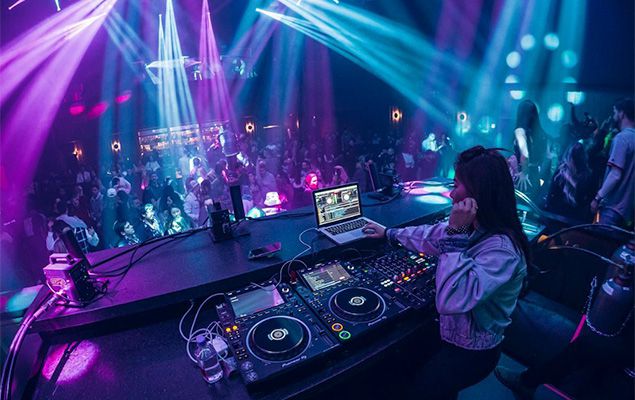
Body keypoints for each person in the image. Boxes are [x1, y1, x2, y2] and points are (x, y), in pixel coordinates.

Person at [363, 146, 529, 399]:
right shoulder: (477, 226)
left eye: (456, 185)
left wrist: (455, 235)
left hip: (472, 352)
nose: (451, 193)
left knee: (421, 391)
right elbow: (430, 235)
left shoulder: (502, 251)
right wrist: (389, 233)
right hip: (450, 335)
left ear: (478, 193)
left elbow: (450, 300)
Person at [590, 98, 634, 228]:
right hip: (627, 212)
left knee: (600, 240)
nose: (613, 115)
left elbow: (615, 175)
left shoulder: (622, 138)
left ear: (622, 114)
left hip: (612, 208)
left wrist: (597, 198)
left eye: (614, 112)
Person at [544, 142, 594, 221]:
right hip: (561, 215)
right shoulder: (562, 170)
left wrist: (570, 180)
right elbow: (552, 191)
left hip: (567, 217)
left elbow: (582, 199)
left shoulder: (585, 175)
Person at [512, 100, 552, 197]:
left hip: (523, 176)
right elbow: (548, 157)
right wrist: (541, 176)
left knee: (519, 203)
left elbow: (525, 155)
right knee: (533, 202)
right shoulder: (542, 134)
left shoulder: (520, 131)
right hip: (535, 174)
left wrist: (524, 173)